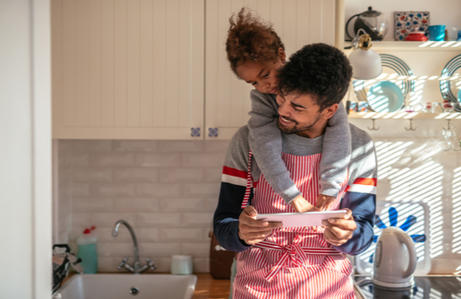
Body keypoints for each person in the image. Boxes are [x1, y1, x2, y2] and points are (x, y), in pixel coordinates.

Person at [213, 43, 377, 298]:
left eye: (298, 107)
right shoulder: (248, 141)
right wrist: (240, 233)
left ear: (330, 109)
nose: (282, 111)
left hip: (329, 290)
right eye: (282, 97)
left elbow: (365, 235)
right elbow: (223, 227)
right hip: (258, 290)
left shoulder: (358, 147)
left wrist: (349, 234)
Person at [226, 8, 352, 213]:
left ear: (281, 55)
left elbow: (339, 140)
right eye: (253, 83)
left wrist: (330, 189)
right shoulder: (261, 100)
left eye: (265, 75)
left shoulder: (317, 88)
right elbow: (265, 146)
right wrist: (292, 196)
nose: (263, 87)